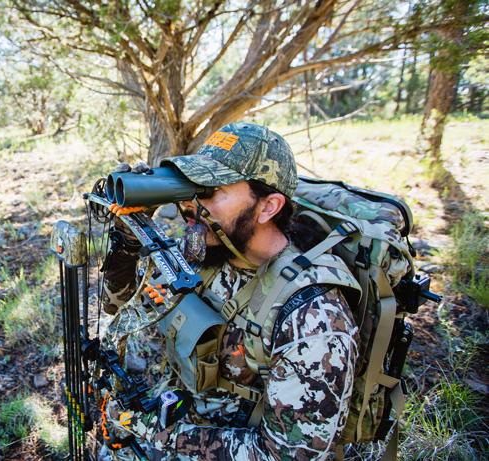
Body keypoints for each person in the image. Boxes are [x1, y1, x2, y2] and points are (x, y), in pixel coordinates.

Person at [99, 122, 361, 460]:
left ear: (268, 207)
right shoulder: (210, 252)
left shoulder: (313, 319)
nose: (192, 204)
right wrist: (128, 240)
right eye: (192, 187)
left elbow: (287, 455)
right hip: (181, 415)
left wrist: (157, 432)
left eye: (210, 191)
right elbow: (121, 310)